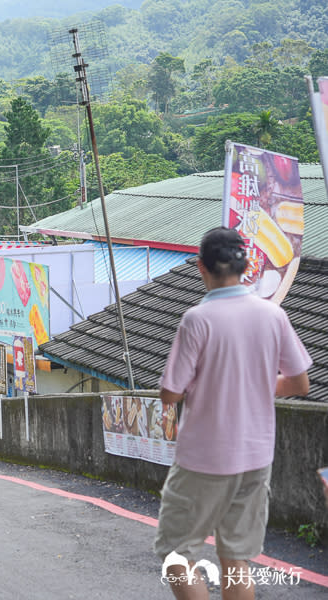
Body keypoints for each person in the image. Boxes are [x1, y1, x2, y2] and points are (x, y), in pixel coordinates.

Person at [155, 227, 311, 600]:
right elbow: (299, 382)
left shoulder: (198, 319)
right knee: (235, 557)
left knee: (176, 553)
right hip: (256, 458)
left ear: (200, 267)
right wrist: (256, 383)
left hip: (204, 460)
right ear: (246, 267)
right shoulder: (273, 315)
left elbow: (171, 392)